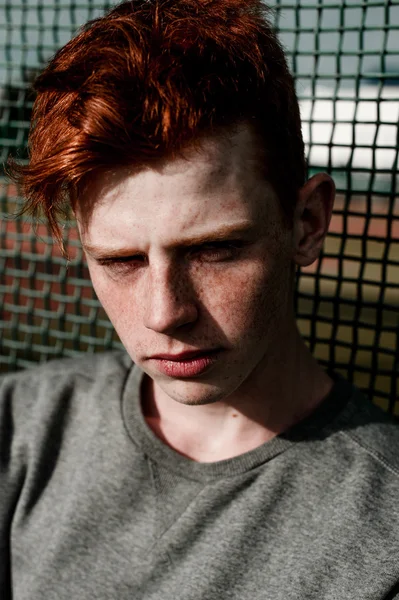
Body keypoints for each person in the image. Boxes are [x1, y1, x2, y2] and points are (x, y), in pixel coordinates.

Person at [1, 0, 399, 598]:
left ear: (308, 223)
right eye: (120, 261)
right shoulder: (18, 429)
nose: (165, 312)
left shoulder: (383, 531)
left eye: (214, 250)